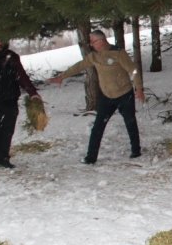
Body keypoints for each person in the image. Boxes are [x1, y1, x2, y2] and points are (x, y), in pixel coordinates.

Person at [48, 30, 144, 164]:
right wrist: (61, 77)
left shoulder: (118, 53)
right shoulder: (93, 56)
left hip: (124, 94)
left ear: (102, 41)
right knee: (98, 127)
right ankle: (90, 157)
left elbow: (133, 70)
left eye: (93, 42)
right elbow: (79, 66)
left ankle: (136, 150)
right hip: (106, 97)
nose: (91, 45)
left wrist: (139, 88)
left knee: (130, 122)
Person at [0, 39, 41, 168]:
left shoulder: (11, 57)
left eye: (2, 40)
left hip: (9, 100)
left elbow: (21, 76)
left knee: (7, 131)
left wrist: (32, 92)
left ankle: (3, 158)